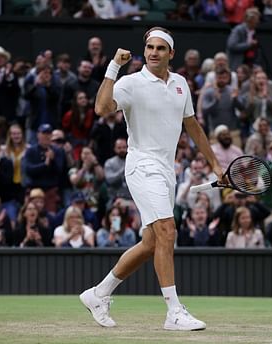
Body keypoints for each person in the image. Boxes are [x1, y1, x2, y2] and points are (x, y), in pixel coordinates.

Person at [80, 27, 223, 331]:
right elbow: (101, 108)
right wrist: (113, 67)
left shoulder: (181, 84)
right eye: (149, 47)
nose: (153, 52)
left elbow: (193, 127)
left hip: (166, 171)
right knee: (167, 231)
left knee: (151, 243)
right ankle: (173, 311)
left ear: (172, 53)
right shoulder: (131, 83)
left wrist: (216, 165)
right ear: (144, 50)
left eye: (160, 48)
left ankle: (98, 293)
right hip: (141, 165)